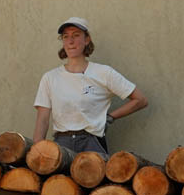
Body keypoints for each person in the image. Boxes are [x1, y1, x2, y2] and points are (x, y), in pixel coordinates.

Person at [32, 17, 147, 157]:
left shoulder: (103, 73)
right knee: (60, 180)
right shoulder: (50, 78)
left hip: (92, 143)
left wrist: (110, 117)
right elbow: (42, 120)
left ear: (87, 39)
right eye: (65, 36)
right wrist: (36, 153)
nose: (70, 41)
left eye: (76, 35)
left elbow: (140, 100)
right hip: (62, 147)